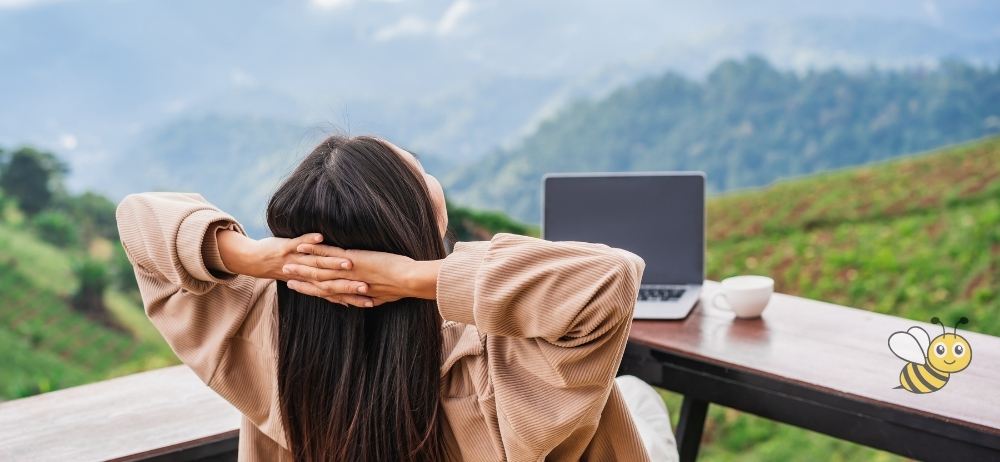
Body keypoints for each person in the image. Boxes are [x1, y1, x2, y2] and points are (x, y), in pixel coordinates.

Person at [116, 135, 677, 461]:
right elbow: (610, 278)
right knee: (635, 396)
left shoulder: (259, 335)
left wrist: (253, 257)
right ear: (420, 217)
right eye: (422, 174)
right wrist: (415, 278)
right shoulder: (498, 365)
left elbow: (140, 219)